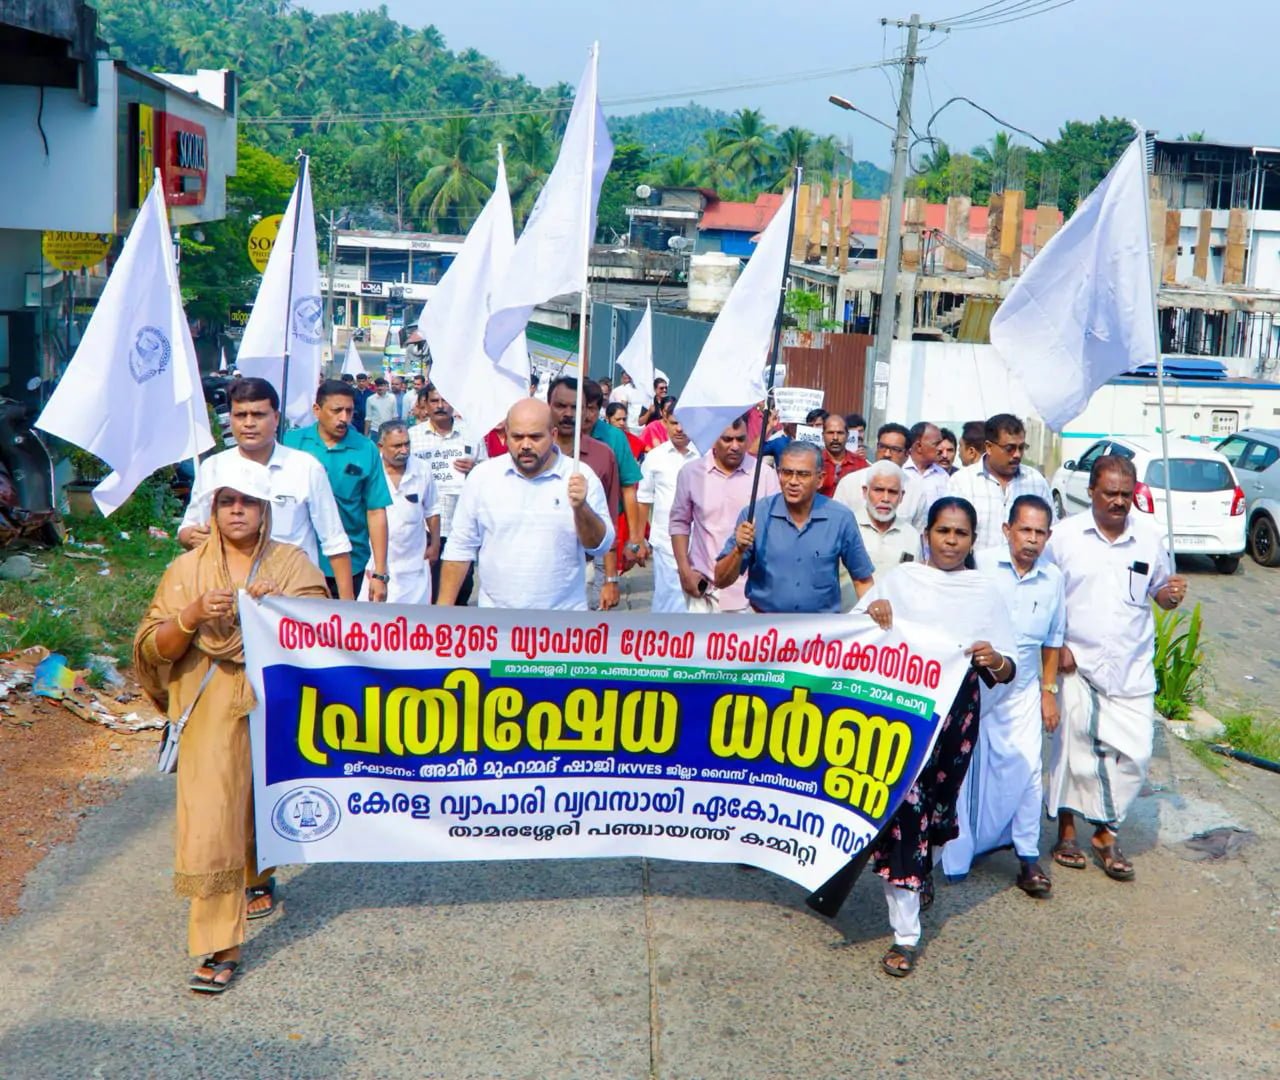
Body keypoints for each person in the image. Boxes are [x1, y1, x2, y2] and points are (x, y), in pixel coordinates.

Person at [134, 459, 328, 994]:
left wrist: (280, 611)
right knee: (214, 818)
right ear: (213, 509)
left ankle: (258, 877)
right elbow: (153, 649)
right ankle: (221, 943)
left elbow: (324, 637)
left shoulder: (292, 565)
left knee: (260, 807)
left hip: (278, 708)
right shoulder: (187, 571)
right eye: (227, 501)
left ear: (266, 510)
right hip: (210, 706)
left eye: (248, 501)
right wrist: (192, 615)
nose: (237, 510)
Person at [856, 496, 1017, 978]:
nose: (950, 541)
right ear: (927, 533)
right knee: (906, 808)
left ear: (972, 540)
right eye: (943, 531)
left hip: (957, 719)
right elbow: (851, 633)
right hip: (903, 718)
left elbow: (1009, 669)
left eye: (960, 533)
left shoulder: (984, 592)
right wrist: (874, 612)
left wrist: (994, 659)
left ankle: (924, 868)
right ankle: (905, 934)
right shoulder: (901, 581)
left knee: (939, 812)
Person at [1043, 455, 1187, 882]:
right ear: (1091, 492)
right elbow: (1046, 595)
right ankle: (1070, 834)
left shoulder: (1148, 537)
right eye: (1110, 493)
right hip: (1076, 664)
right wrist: (1056, 648)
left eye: (1126, 494)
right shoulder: (1065, 537)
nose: (1119, 502)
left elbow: (1159, 591)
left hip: (1130, 668)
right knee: (1072, 753)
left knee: (1137, 753)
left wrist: (1169, 595)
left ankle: (1105, 828)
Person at [941, 494, 1064, 897]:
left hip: (1024, 689)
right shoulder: (980, 566)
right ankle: (956, 854)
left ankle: (1028, 858)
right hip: (976, 686)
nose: (1031, 539)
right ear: (1007, 530)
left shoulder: (1053, 579)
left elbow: (1051, 641)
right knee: (965, 774)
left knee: (1029, 772)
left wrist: (1049, 692)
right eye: (1024, 530)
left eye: (1040, 532)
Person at [178, 377, 355, 599]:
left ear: (276, 417)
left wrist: (347, 613)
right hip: (227, 598)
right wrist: (191, 536)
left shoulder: (305, 467)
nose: (249, 423)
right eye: (240, 415)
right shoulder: (213, 468)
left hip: (291, 597)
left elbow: (335, 543)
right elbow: (187, 530)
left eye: (258, 415)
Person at [438, 399, 614, 609]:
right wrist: (444, 610)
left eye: (535, 437)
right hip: (497, 622)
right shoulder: (482, 477)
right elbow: (460, 546)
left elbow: (599, 545)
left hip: (561, 622)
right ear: (505, 436)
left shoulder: (580, 477)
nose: (526, 445)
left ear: (554, 435)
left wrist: (581, 507)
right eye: (518, 437)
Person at [716, 440, 874, 612]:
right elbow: (721, 580)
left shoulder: (840, 518)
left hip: (821, 632)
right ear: (779, 474)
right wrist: (738, 551)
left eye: (803, 474)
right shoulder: (755, 515)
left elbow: (862, 580)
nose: (793, 481)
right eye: (787, 473)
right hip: (764, 630)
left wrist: (874, 610)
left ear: (820, 479)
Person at [283, 380, 391, 601]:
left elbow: (376, 511)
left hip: (349, 561)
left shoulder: (365, 448)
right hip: (297, 558)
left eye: (349, 411)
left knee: (337, 630)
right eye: (336, 410)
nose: (344, 418)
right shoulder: (290, 443)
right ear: (317, 410)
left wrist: (380, 572)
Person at [668, 415, 779, 613]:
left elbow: (776, 530)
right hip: (704, 590)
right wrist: (685, 571)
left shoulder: (765, 475)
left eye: (741, 439)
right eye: (727, 439)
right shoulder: (691, 473)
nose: (735, 446)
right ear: (713, 440)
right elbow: (679, 523)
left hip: (749, 594)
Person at [549, 376, 623, 611]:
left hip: (584, 571)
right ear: (548, 406)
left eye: (576, 407)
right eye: (561, 406)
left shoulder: (603, 456)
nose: (568, 414)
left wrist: (610, 580)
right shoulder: (530, 454)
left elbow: (608, 525)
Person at [409, 384, 486, 607]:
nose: (440, 406)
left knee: (462, 587)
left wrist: (474, 468)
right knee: (426, 586)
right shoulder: (413, 437)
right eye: (434, 401)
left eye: (445, 401)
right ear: (424, 404)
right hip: (423, 525)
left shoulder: (471, 435)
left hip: (460, 524)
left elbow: (486, 473)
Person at [947, 413, 1055, 553]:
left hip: (1023, 573)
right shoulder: (961, 482)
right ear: (989, 447)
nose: (1017, 455)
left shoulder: (1035, 481)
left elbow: (1051, 530)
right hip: (975, 572)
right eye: (1010, 448)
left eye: (1021, 448)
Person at [360, 420, 439, 604]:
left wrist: (435, 545)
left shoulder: (422, 469)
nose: (404, 450)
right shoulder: (370, 471)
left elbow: (432, 509)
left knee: (414, 627)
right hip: (377, 567)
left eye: (407, 444)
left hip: (414, 568)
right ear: (380, 446)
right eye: (397, 446)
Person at [637, 406, 699, 613]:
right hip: (665, 542)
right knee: (668, 599)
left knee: (697, 602)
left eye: (685, 424)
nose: (680, 429)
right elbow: (643, 498)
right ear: (665, 422)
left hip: (699, 542)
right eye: (674, 423)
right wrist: (638, 540)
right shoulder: (655, 457)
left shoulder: (705, 456)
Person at [834, 458, 920, 574]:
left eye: (892, 492)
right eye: (878, 490)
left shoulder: (911, 536)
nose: (885, 499)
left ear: (901, 496)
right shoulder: (845, 529)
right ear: (865, 492)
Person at [901, 421, 949, 531]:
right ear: (918, 446)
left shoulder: (943, 477)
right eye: (936, 444)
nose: (942, 449)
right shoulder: (900, 472)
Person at [819, 413, 868, 497]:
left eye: (840, 433)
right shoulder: (812, 462)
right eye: (830, 433)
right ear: (823, 436)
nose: (835, 438)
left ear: (847, 436)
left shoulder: (861, 464)